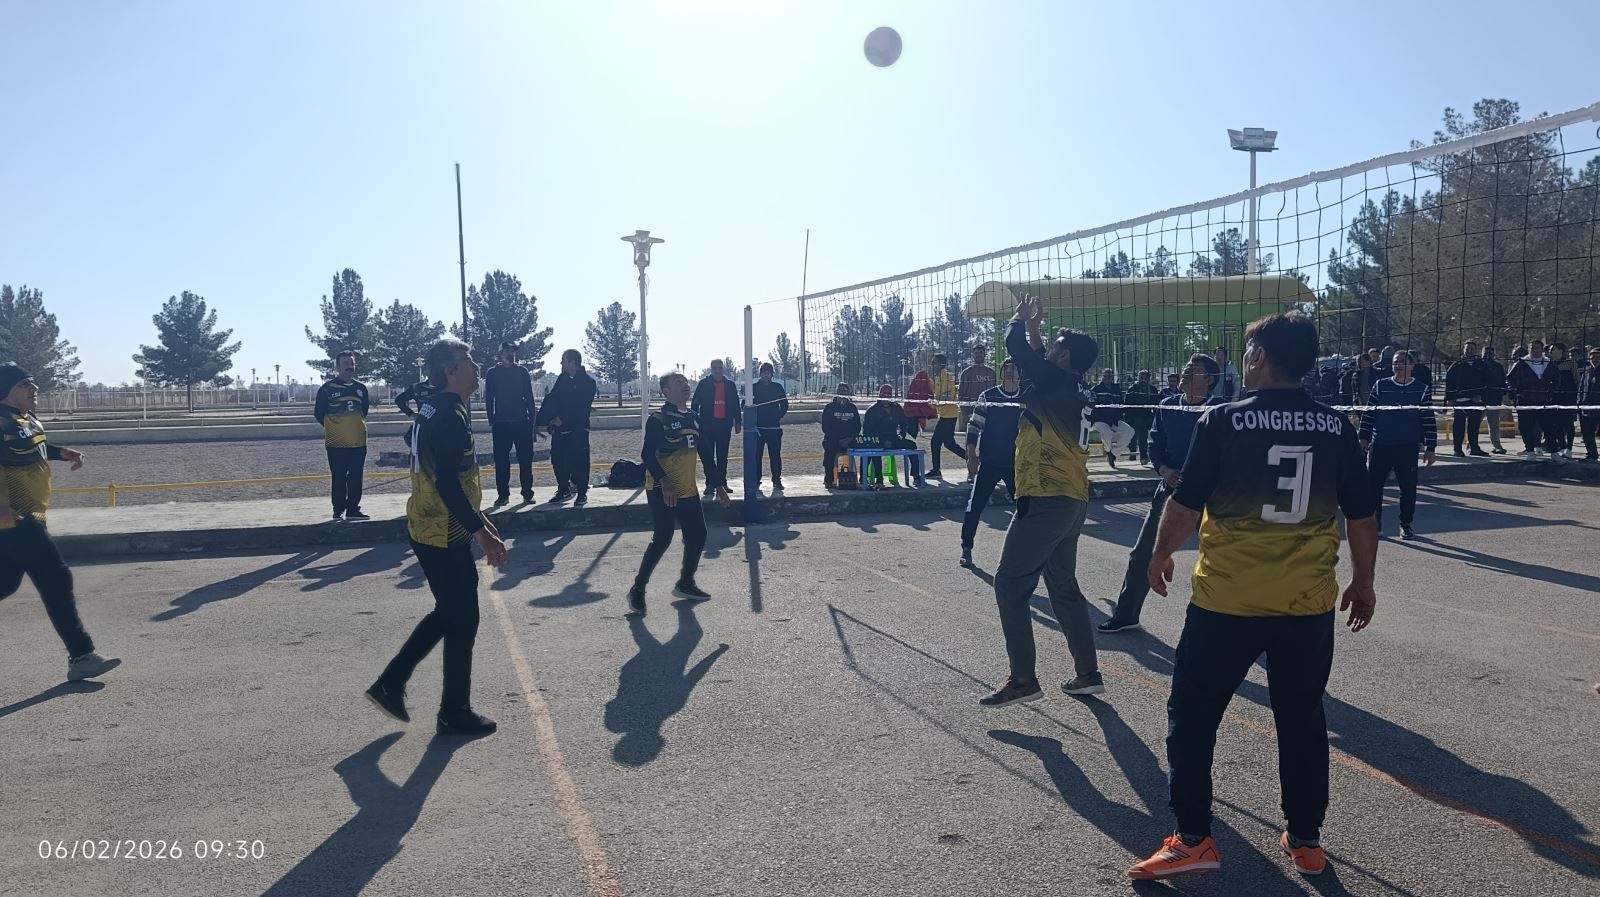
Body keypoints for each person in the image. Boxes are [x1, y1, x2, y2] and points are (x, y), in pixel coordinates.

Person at [1131, 313, 1377, 882]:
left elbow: (1186, 503)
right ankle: (1306, 839)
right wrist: (1363, 582)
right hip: (1305, 605)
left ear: (1260, 357)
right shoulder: (1337, 428)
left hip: (1228, 601)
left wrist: (1159, 553)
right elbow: (1363, 518)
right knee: (1302, 719)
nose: (1244, 361)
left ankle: (1193, 839)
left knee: (1193, 716)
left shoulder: (1221, 420)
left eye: (1247, 351)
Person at [366, 339, 507, 737]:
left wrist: (482, 520)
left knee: (453, 613)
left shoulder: (436, 408)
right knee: (461, 617)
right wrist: (481, 533)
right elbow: (447, 482)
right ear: (451, 371)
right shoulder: (448, 415)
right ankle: (451, 710)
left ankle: (396, 685)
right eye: (469, 362)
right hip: (442, 529)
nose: (477, 369)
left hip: (432, 524)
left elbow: (443, 467)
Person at [980, 295, 1104, 707]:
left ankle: (1023, 679)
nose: (1047, 347)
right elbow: (1039, 360)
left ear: (1064, 355)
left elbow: (1018, 351)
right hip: (1073, 499)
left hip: (1047, 497)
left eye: (1054, 345)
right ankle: (1088, 673)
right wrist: (1036, 331)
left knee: (1009, 584)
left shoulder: (1054, 380)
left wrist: (1019, 322)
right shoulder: (1076, 387)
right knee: (1063, 587)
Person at [0, 364, 120, 682]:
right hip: (15, 516)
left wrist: (60, 453)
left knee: (6, 582)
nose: (34, 388)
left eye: (32, 383)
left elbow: (29, 447)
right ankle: (82, 656)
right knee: (56, 577)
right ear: (6, 391)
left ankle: (81, 656)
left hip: (28, 514)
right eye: (25, 384)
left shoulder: (23, 418)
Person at [1099, 354, 1221, 634]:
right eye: (1186, 367)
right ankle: (1126, 615)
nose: (1187, 371)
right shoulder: (1167, 406)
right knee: (1142, 553)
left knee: (1220, 557)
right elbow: (1154, 446)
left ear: (1210, 380)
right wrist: (1165, 470)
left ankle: (1237, 621)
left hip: (1210, 495)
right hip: (1170, 489)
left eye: (1195, 369)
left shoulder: (1219, 410)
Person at [627, 372, 730, 615]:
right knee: (662, 538)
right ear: (666, 392)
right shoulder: (658, 419)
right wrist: (664, 482)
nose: (685, 385)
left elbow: (706, 455)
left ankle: (685, 582)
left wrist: (719, 486)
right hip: (661, 489)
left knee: (698, 535)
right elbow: (647, 455)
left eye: (685, 381)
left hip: (687, 489)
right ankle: (638, 589)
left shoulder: (694, 418)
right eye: (678, 382)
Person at [1359, 350, 1437, 540]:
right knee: (1373, 488)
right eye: (1396, 362)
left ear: (1412, 366)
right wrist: (1364, 437)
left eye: (1403, 362)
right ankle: (1375, 525)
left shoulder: (1421, 389)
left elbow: (1428, 419)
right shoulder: (1381, 385)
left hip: (1407, 446)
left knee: (1408, 488)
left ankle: (1406, 524)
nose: (1399, 365)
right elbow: (1369, 414)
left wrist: (1431, 448)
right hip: (1381, 445)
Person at [959, 362, 1023, 568]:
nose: (1010, 372)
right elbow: (974, 425)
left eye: (1014, 368)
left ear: (1020, 374)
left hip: (1017, 464)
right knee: (974, 506)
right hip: (990, 462)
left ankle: (1029, 553)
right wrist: (971, 454)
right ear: (1001, 374)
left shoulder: (1027, 398)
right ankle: (966, 548)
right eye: (1006, 369)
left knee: (1025, 508)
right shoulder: (988, 396)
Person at [313, 351, 370, 521]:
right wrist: (335, 428)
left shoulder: (361, 389)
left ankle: (353, 509)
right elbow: (318, 413)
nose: (349, 366)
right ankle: (338, 510)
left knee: (356, 477)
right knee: (338, 477)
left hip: (359, 442)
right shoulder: (327, 389)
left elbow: (364, 411)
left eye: (351, 363)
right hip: (336, 443)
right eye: (345, 364)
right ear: (337, 367)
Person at [538, 349, 597, 505]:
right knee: (558, 459)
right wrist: (545, 419)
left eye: (563, 360)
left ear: (572, 362)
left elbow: (582, 406)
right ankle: (563, 489)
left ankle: (582, 493)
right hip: (560, 430)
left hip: (578, 429)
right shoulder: (562, 379)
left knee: (580, 461)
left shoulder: (588, 382)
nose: (561, 363)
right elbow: (553, 399)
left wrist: (562, 419)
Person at [484, 342, 536, 506]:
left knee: (525, 460)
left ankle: (527, 493)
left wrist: (532, 422)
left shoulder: (522, 371)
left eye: (513, 351)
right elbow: (489, 398)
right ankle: (503, 495)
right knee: (501, 461)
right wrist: (492, 420)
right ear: (500, 354)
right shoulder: (492, 373)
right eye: (507, 351)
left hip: (522, 422)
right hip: (501, 424)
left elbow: (529, 397)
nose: (511, 354)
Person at [691, 359, 742, 499]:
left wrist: (738, 422)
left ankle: (722, 483)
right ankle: (710, 484)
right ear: (711, 369)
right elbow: (695, 404)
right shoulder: (703, 384)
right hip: (707, 426)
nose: (717, 370)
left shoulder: (730, 385)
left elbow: (736, 404)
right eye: (715, 368)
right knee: (708, 456)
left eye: (720, 368)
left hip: (724, 425)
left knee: (722, 456)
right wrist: (695, 421)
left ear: (723, 369)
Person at [1507, 339, 1560, 458]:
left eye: (1537, 348)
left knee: (1549, 428)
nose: (1534, 350)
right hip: (1525, 402)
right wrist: (1517, 393)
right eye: (1532, 348)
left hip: (1545, 402)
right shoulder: (1521, 363)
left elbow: (1557, 380)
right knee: (1525, 427)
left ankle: (1554, 453)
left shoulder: (1549, 363)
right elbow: (1510, 380)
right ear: (1529, 349)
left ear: (1542, 349)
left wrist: (1551, 393)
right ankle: (1530, 451)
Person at [861, 383, 921, 483]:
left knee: (912, 446)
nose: (886, 396)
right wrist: (882, 441)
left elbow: (904, 424)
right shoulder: (872, 410)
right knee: (870, 450)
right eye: (884, 394)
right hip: (877, 440)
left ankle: (916, 476)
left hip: (893, 438)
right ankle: (874, 479)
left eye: (889, 394)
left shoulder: (897, 408)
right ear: (880, 395)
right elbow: (867, 431)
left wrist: (901, 435)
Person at [1444, 340, 1490, 457]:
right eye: (1467, 349)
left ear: (1476, 351)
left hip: (1476, 401)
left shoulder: (1481, 365)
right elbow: (1449, 383)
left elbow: (1487, 382)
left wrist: (1481, 396)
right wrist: (1450, 398)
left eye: (1471, 349)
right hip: (1460, 401)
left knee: (1474, 426)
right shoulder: (1457, 365)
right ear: (1463, 350)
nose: (1469, 351)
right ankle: (1457, 449)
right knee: (1458, 426)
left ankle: (1474, 448)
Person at [927, 353, 967, 478]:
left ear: (941, 364)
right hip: (945, 414)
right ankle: (973, 460)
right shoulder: (937, 377)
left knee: (935, 442)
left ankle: (936, 470)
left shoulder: (945, 376)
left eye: (934, 363)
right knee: (949, 444)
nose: (932, 365)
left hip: (949, 415)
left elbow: (948, 395)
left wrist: (935, 401)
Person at [751, 362, 789, 491]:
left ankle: (776, 480)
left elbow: (784, 405)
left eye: (768, 372)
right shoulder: (753, 387)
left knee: (775, 456)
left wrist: (777, 416)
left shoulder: (777, 387)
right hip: (758, 429)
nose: (766, 375)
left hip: (774, 428)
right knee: (757, 456)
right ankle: (756, 480)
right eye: (764, 372)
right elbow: (745, 404)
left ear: (772, 374)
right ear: (760, 374)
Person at [820, 384, 862, 487]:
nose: (843, 393)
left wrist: (850, 438)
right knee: (829, 451)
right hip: (833, 440)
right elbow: (826, 427)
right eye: (840, 391)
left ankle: (862, 479)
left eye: (845, 391)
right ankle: (829, 480)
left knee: (866, 449)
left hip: (849, 440)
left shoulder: (852, 408)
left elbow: (857, 427)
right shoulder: (829, 408)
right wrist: (838, 440)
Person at [1089, 368, 1130, 468]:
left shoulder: (1116, 389)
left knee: (1130, 431)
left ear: (1113, 377)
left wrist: (1119, 415)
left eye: (1110, 376)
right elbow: (1091, 405)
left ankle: (1113, 454)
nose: (1107, 378)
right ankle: (1108, 451)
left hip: (1113, 419)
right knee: (1107, 433)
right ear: (1102, 377)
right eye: (1105, 376)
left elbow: (1121, 404)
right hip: (1099, 419)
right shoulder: (1096, 389)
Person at [957, 345, 997, 435]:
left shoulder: (991, 372)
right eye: (976, 353)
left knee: (987, 437)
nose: (978, 355)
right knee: (971, 437)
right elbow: (961, 394)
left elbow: (995, 393)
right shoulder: (966, 372)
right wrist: (963, 413)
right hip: (971, 411)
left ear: (985, 354)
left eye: (981, 352)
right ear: (973, 355)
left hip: (988, 411)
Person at [1550, 343, 1580, 460]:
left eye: (1555, 350)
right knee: (1556, 424)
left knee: (1568, 424)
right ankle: (1562, 447)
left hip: (1568, 398)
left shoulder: (1570, 363)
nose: (1552, 352)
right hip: (1554, 398)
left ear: (1562, 351)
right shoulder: (1549, 364)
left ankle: (1569, 448)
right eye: (1551, 350)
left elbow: (1577, 380)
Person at [1124, 370, 1160, 464]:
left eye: (1145, 378)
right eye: (1141, 378)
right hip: (1134, 415)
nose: (1143, 380)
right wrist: (1129, 418)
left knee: (1144, 434)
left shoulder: (1152, 389)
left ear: (1148, 379)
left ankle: (1144, 455)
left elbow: (1156, 404)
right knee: (1135, 436)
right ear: (1138, 378)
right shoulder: (1133, 389)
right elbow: (1127, 404)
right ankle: (1134, 454)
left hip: (1147, 415)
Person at [1481, 344, 1508, 454]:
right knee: (1474, 424)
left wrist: (1502, 394)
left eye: (1491, 353)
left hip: (1494, 400)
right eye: (1486, 353)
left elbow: (1503, 381)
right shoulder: (1478, 366)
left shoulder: (1498, 367)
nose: (1488, 356)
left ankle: (1497, 445)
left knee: (1494, 425)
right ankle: (1471, 444)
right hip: (1479, 400)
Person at [1580, 346, 1600, 462]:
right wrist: (1579, 403)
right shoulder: (1586, 371)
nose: (1595, 359)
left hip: (1598, 407)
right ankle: (1592, 455)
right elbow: (1581, 388)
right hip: (1586, 407)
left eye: (1598, 357)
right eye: (1593, 357)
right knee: (1587, 433)